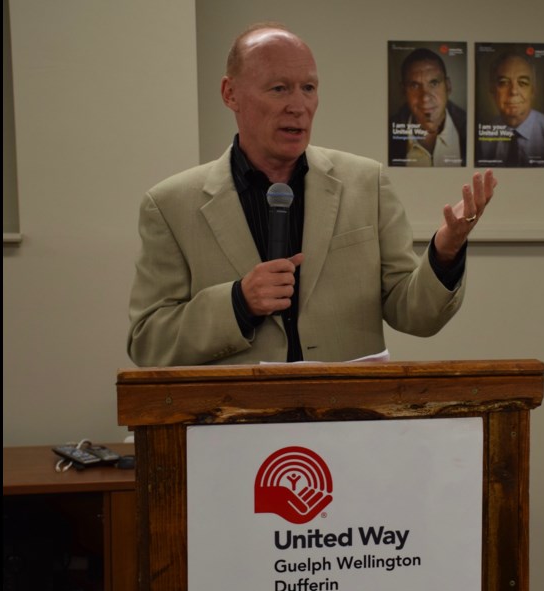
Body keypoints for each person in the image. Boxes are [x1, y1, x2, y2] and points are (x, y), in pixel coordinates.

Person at [127, 24, 496, 367]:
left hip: (344, 422)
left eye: (309, 88)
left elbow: (413, 313)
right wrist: (238, 303)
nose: (299, 105)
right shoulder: (171, 205)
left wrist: (444, 253)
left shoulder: (366, 183)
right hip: (235, 427)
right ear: (230, 93)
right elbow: (148, 343)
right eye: (279, 88)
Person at [388, 47, 467, 167]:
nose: (425, 98)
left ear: (448, 86)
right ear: (403, 91)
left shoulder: (471, 130)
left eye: (434, 83)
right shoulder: (386, 133)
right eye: (414, 85)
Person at [477, 52, 544, 167]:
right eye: (503, 83)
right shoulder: (481, 137)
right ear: (492, 89)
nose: (513, 91)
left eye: (523, 83)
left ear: (533, 90)